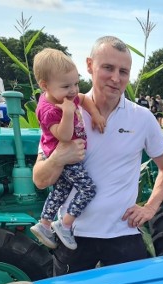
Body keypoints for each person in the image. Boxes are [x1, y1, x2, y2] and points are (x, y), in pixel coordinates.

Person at [32, 36, 163, 276]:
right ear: (90, 66)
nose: (116, 78)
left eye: (124, 71)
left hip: (123, 235)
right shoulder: (61, 113)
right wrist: (58, 157)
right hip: (73, 238)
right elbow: (39, 180)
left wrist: (150, 208)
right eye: (108, 68)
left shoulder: (142, 118)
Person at [30, 48, 106, 251]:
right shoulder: (49, 110)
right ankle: (64, 225)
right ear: (44, 85)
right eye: (66, 86)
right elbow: (63, 136)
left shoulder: (64, 96)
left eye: (76, 83)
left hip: (67, 155)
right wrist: (68, 113)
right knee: (88, 189)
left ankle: (44, 223)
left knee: (62, 189)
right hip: (64, 155)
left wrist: (96, 114)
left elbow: (84, 98)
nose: (73, 90)